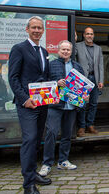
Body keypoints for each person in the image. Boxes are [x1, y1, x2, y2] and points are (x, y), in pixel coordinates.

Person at [8, 16, 52, 194]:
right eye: (33, 27)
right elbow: (13, 78)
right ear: (27, 29)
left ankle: (33, 173)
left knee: (36, 141)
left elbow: (44, 78)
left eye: (39, 28)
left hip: (42, 104)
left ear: (43, 30)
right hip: (27, 105)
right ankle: (28, 185)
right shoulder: (19, 49)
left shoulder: (43, 51)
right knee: (29, 140)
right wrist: (25, 99)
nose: (36, 30)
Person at [38, 40, 87, 177]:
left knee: (67, 135)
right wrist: (56, 83)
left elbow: (82, 85)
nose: (65, 52)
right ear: (58, 50)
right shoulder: (51, 65)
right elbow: (43, 84)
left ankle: (63, 161)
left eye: (68, 50)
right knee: (51, 133)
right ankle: (47, 164)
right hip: (55, 105)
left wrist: (84, 96)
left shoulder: (77, 66)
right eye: (63, 49)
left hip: (71, 106)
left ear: (71, 52)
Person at [76, 27, 104, 137]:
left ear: (93, 35)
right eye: (87, 33)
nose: (89, 36)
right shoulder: (78, 46)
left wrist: (101, 80)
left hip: (95, 79)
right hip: (82, 80)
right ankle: (81, 127)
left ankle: (90, 125)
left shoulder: (98, 48)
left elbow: (101, 65)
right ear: (83, 35)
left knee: (93, 104)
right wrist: (73, 39)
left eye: (91, 34)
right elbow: (72, 56)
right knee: (82, 104)